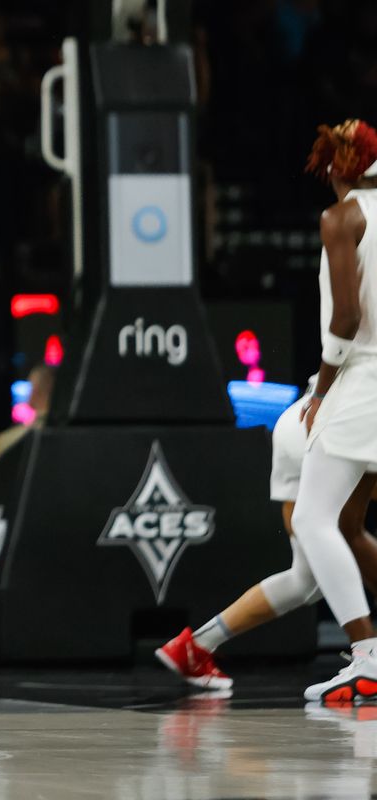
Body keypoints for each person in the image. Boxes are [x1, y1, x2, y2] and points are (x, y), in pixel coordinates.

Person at [157, 376, 377, 689]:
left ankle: (195, 647)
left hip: (298, 420)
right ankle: (367, 655)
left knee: (305, 579)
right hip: (333, 421)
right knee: (346, 530)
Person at [288, 119, 377, 703]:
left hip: (362, 384)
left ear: (337, 167)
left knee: (312, 519)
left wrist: (320, 390)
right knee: (349, 525)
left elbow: (345, 316)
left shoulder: (341, 217)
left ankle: (366, 655)